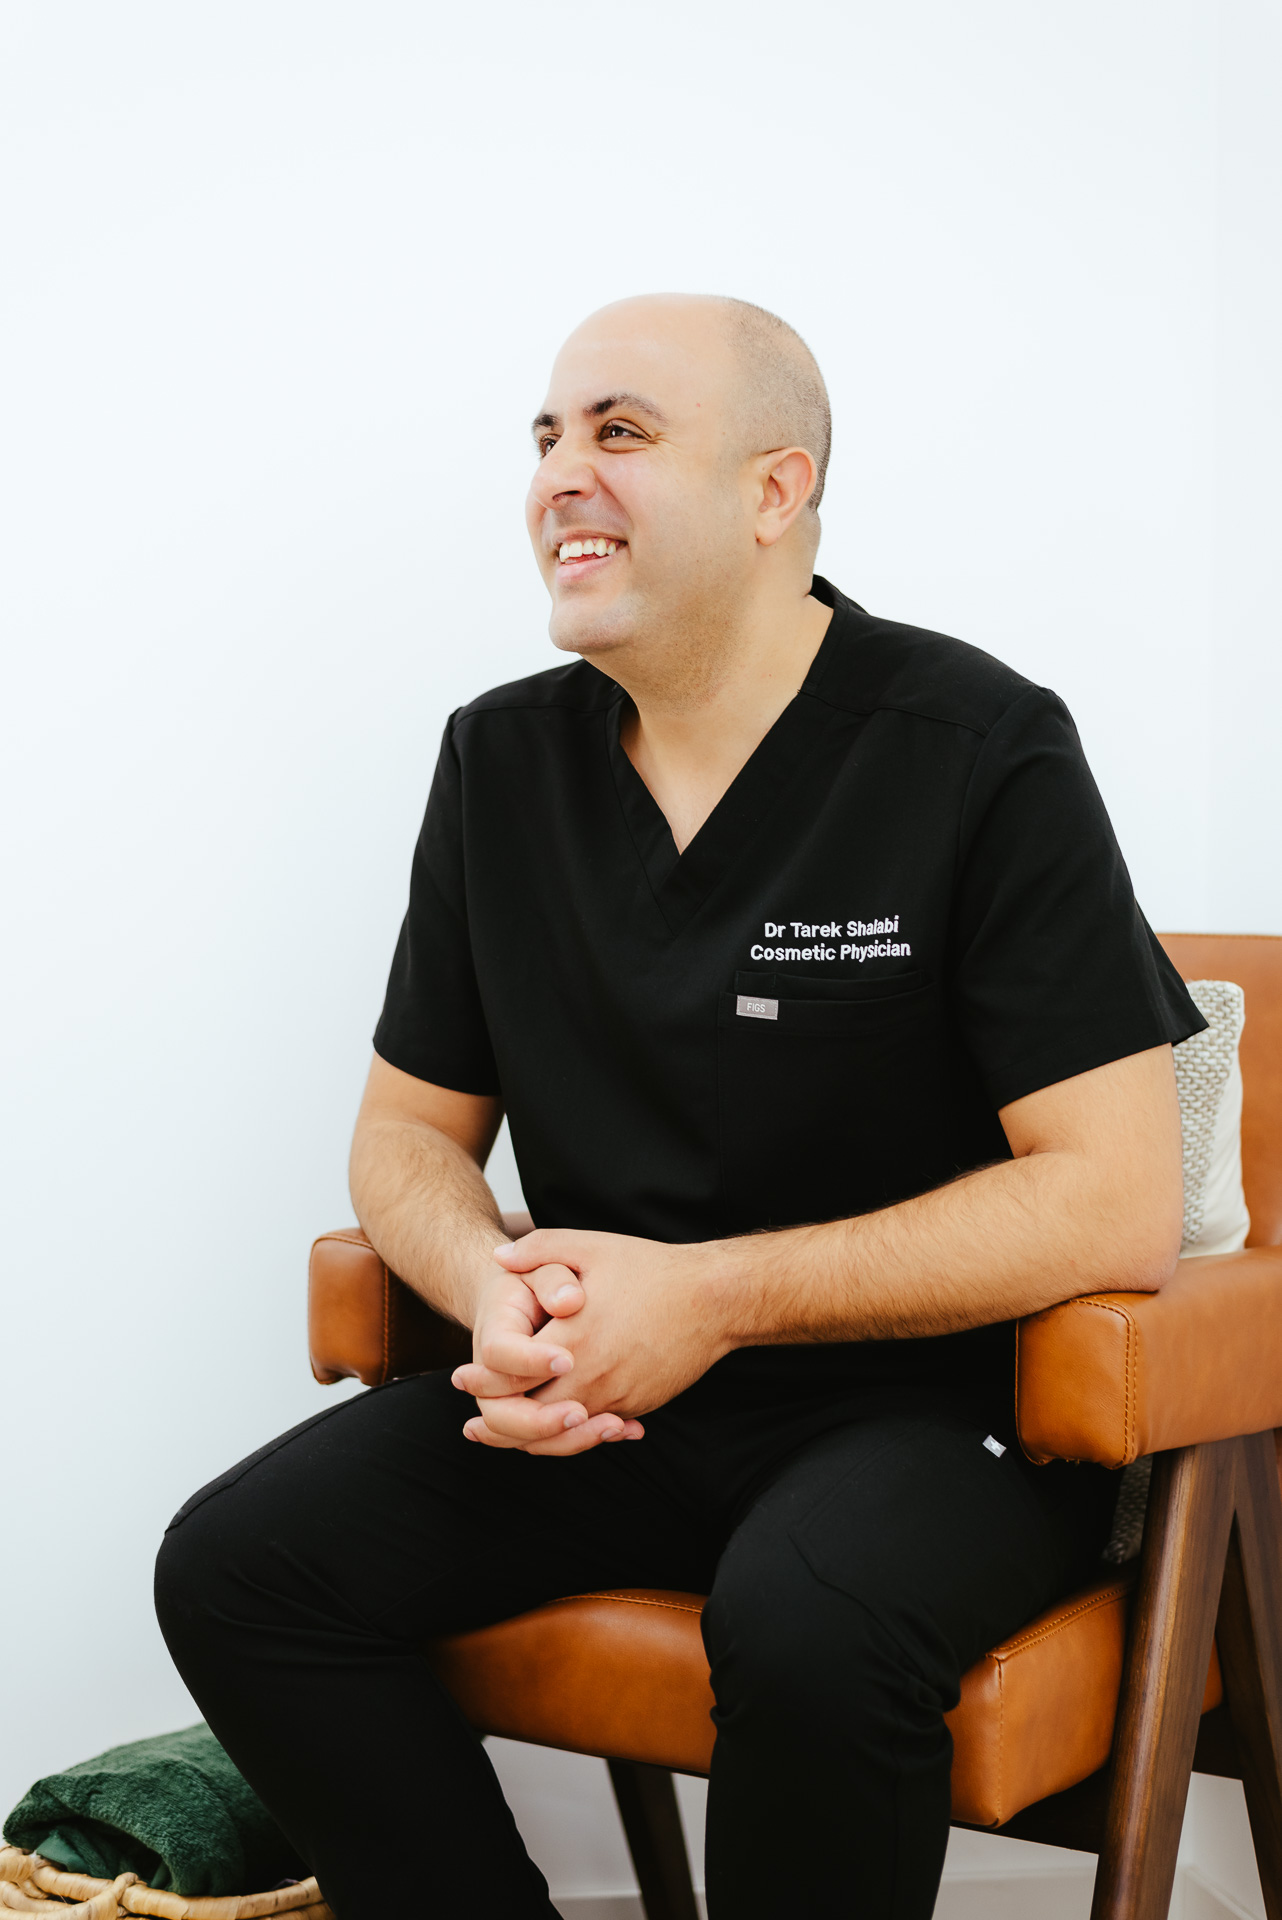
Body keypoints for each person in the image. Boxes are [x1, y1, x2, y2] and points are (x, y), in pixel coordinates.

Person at [155, 293, 1204, 1919]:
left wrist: (709, 1296)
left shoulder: (974, 747)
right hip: (609, 1401)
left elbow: (1110, 1196)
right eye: (546, 436)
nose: (560, 474)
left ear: (774, 490)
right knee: (242, 1570)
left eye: (621, 432)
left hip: (926, 1416)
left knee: (806, 1623)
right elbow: (406, 1135)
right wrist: (489, 1292)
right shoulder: (501, 762)